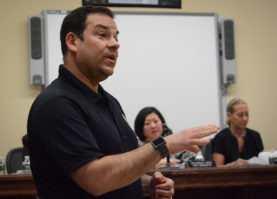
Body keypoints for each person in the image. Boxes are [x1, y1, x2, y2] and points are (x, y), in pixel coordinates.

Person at [27, 5, 219, 199]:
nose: (115, 44)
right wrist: (163, 146)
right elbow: (95, 179)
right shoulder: (57, 104)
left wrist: (147, 184)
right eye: (102, 34)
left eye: (116, 37)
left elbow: (117, 173)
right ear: (73, 41)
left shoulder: (110, 102)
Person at [212, 98, 264, 167]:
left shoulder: (255, 136)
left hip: (253, 176)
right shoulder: (220, 138)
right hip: (228, 177)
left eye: (247, 114)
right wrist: (233, 165)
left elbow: (263, 163)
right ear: (229, 116)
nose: (245, 118)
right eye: (240, 115)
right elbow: (218, 168)